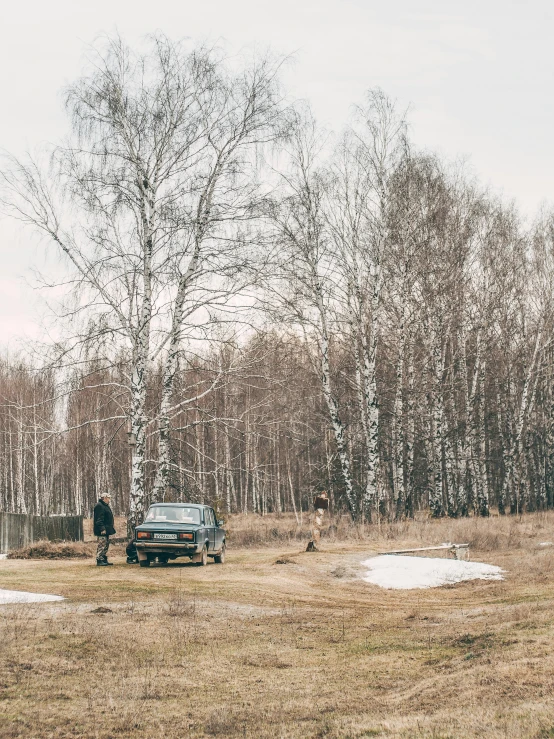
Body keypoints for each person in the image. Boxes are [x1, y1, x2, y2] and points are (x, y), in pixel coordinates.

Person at [93, 492, 116, 566]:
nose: (109, 500)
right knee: (102, 544)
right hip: (102, 529)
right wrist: (102, 528)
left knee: (106, 544)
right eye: (108, 498)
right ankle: (99, 559)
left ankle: (103, 558)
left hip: (107, 528)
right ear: (104, 498)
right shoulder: (99, 506)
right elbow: (99, 519)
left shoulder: (104, 505)